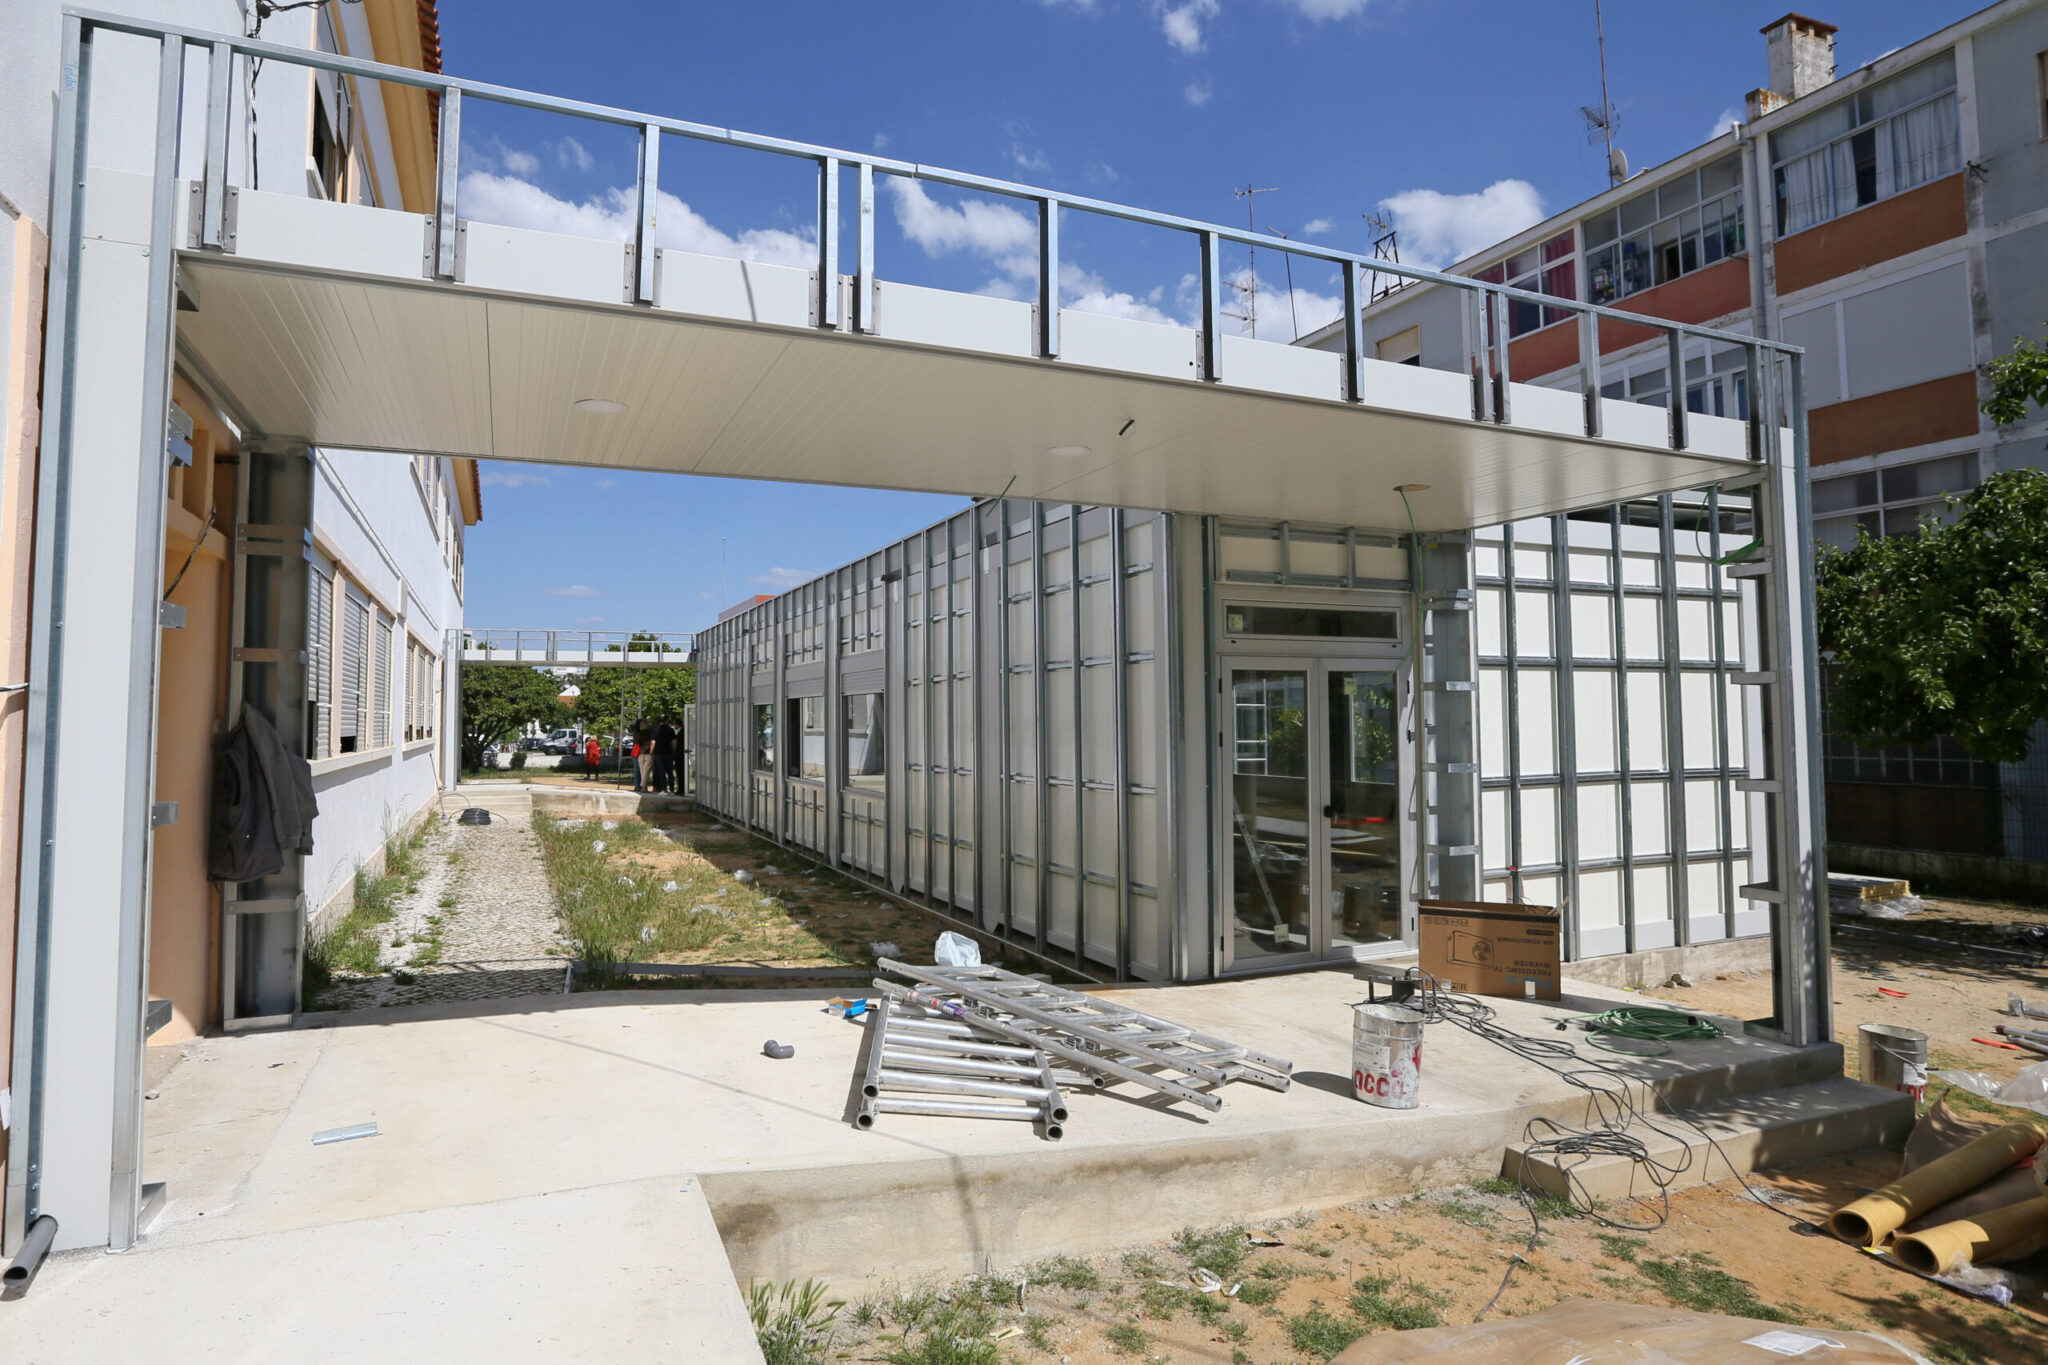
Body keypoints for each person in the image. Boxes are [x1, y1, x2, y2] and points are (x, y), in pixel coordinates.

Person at [651, 716, 677, 794]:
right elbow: (674, 742)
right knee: (670, 772)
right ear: (666, 721)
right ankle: (672, 789)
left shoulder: (655, 730)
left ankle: (664, 789)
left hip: (659, 753)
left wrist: (651, 752)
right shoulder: (671, 730)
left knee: (661, 772)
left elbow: (653, 742)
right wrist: (674, 751)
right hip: (669, 753)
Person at [632, 717, 653, 792]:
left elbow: (637, 742)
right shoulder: (650, 732)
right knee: (645, 771)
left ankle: (637, 786)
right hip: (648, 753)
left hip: (639, 753)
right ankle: (643, 787)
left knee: (638, 770)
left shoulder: (637, 733)